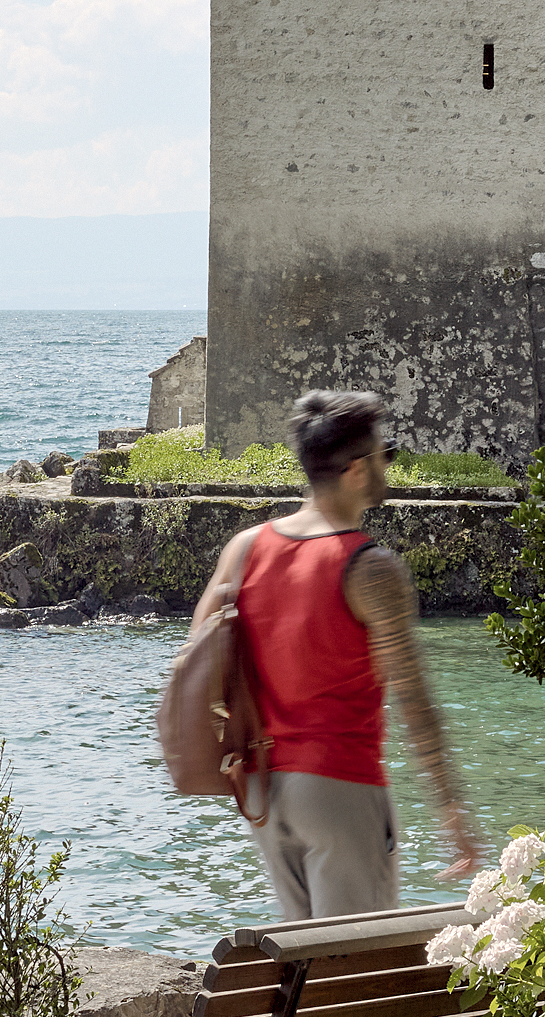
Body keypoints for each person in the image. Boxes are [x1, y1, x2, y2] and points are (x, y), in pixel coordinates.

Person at [185, 388, 481, 917]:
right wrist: (450, 807)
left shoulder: (246, 548)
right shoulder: (369, 567)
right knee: (354, 972)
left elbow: (198, 659)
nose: (389, 465)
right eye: (384, 454)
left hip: (264, 791)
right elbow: (414, 700)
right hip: (339, 787)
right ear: (358, 469)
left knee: (307, 969)